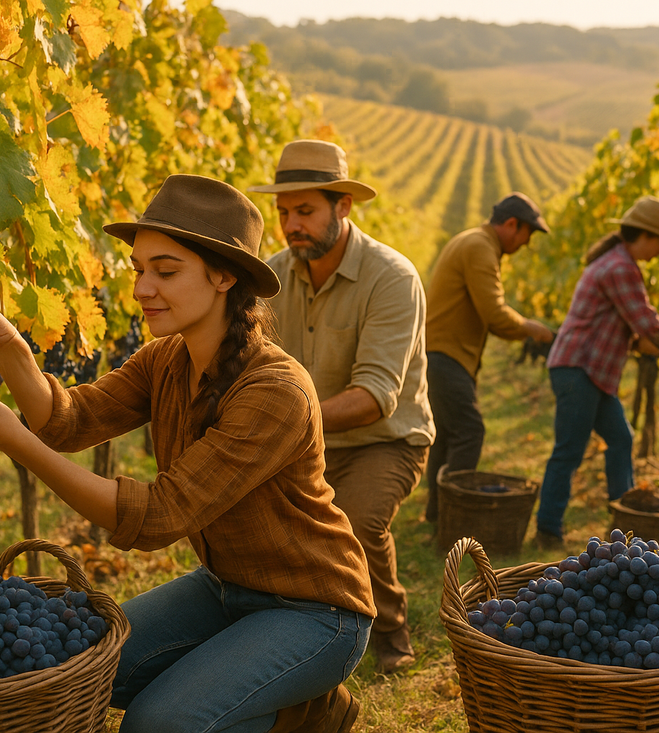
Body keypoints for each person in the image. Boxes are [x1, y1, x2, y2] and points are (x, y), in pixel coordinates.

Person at [0, 174, 375, 733]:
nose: (143, 288)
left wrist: (15, 441)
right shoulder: (166, 359)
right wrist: (15, 355)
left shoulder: (276, 393)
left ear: (223, 276)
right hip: (223, 588)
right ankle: (285, 700)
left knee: (157, 723)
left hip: (316, 612)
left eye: (165, 272)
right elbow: (70, 420)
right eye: (140, 270)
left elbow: (156, 518)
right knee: (81, 668)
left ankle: (298, 711)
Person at [249, 140, 434, 674]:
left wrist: (283, 420)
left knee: (353, 520)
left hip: (387, 439)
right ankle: (302, 631)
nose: (291, 225)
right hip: (305, 438)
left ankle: (391, 630)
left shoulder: (392, 278)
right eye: (284, 213)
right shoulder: (272, 279)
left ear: (343, 207)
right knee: (268, 523)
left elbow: (377, 397)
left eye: (305, 211)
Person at [535, 195, 659, 550]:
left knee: (621, 438)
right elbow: (648, 325)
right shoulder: (620, 267)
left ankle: (627, 526)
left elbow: (651, 326)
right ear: (647, 237)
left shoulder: (618, 262)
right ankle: (548, 530)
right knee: (569, 450)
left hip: (591, 372)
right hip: (579, 367)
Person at [424, 193, 555, 523]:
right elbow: (495, 314)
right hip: (447, 354)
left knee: (447, 434)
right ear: (512, 225)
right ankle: (454, 514)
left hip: (439, 352)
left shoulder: (472, 240)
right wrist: (531, 328)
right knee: (470, 430)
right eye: (527, 235)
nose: (525, 244)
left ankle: (436, 514)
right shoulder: (481, 247)